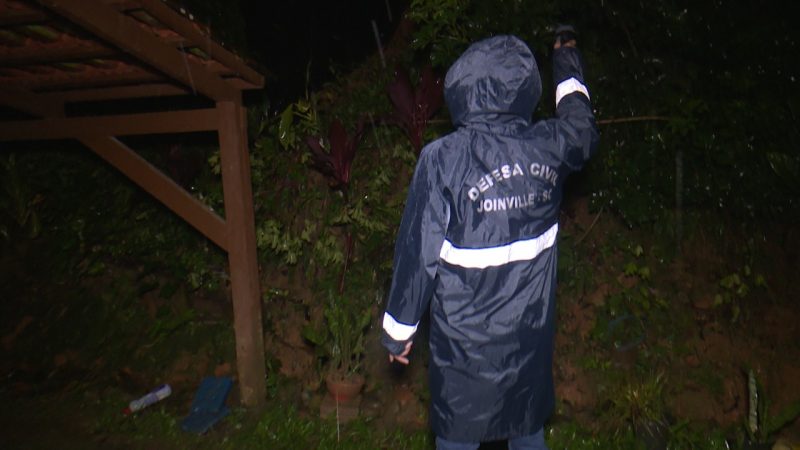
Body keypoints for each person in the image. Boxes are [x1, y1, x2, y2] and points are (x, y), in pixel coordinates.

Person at [381, 28, 599, 450]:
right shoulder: (550, 147)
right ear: (525, 88)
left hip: (465, 358)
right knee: (527, 430)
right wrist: (566, 60)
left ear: (462, 90)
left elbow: (417, 251)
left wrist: (398, 330)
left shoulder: (443, 159)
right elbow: (582, 128)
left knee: (461, 435)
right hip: (527, 343)